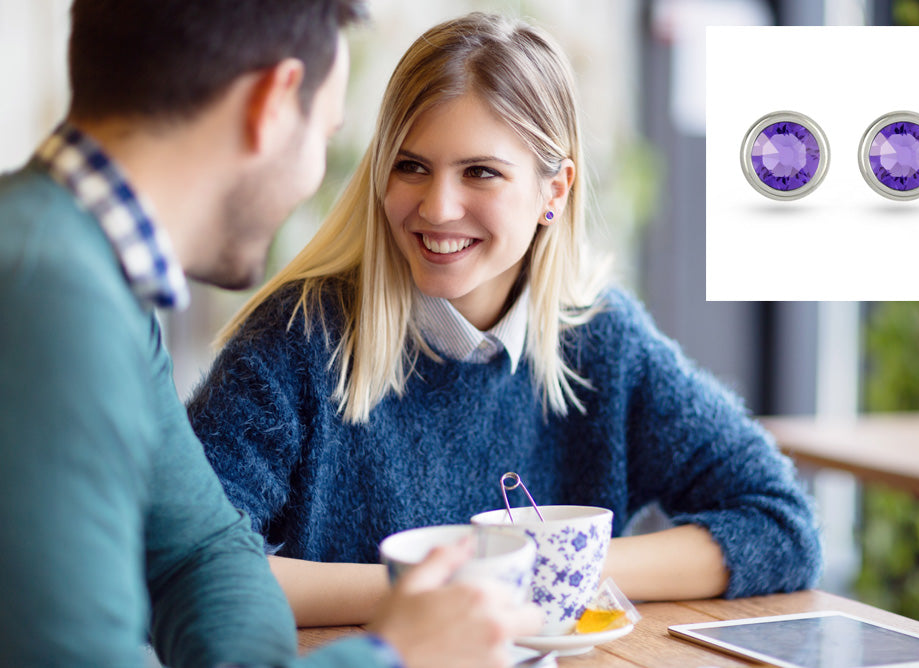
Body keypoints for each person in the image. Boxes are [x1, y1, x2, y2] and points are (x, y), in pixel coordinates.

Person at [187, 12, 824, 628]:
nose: (437, 207)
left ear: (554, 191)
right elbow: (193, 568)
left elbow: (781, 527)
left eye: (480, 173)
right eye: (412, 166)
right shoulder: (298, 337)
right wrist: (461, 583)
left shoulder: (602, 341)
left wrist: (549, 568)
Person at [0, 2, 541, 667]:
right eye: (328, 133)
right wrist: (394, 657)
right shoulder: (46, 298)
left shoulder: (93, 278)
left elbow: (197, 550)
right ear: (273, 103)